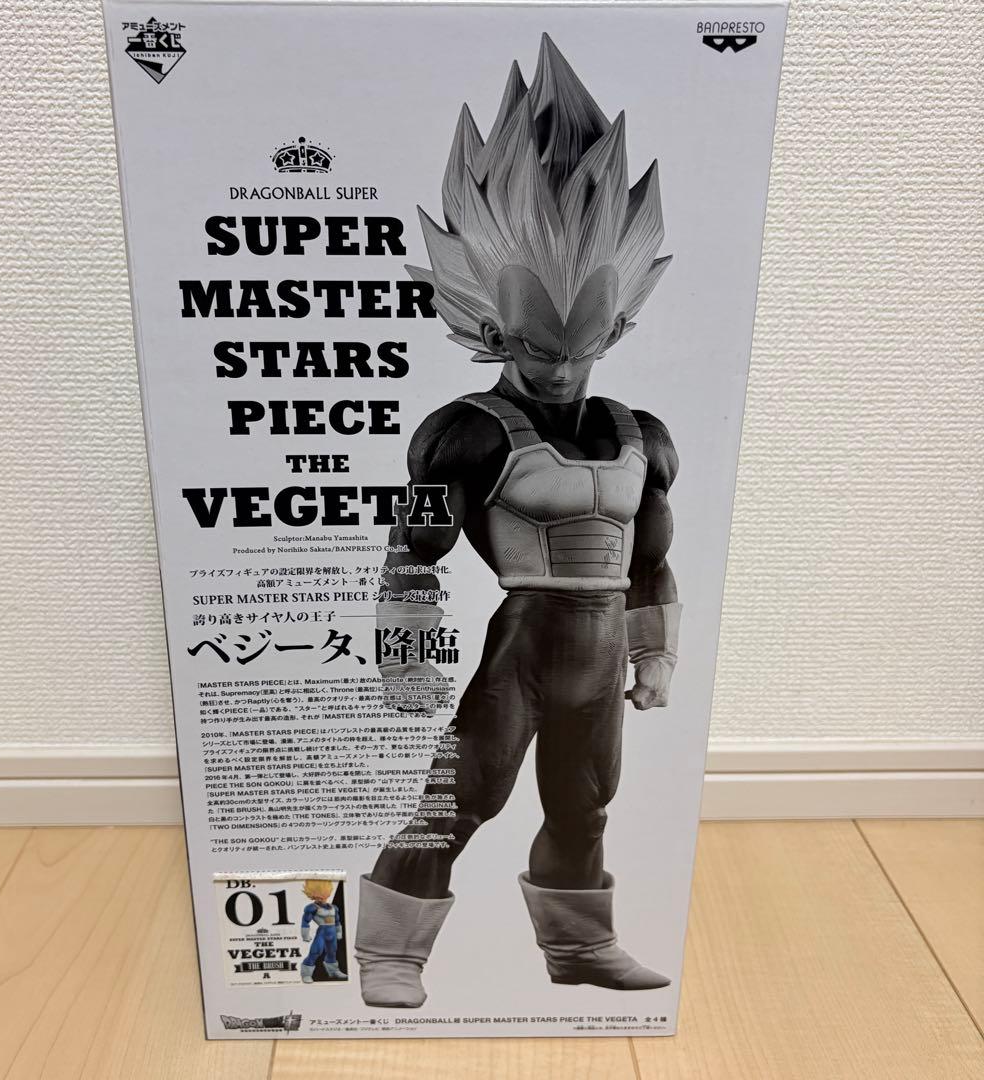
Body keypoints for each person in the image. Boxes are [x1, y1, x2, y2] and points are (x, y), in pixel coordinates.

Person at [354, 34, 681, 1009]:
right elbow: (412, 552)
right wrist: (405, 660)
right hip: (524, 647)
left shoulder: (644, 436)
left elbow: (650, 562)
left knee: (586, 809)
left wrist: (656, 654)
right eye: (536, 348)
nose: (560, 368)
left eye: (580, 348)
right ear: (491, 329)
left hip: (599, 651)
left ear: (617, 326)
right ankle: (387, 953)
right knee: (458, 801)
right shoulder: (462, 431)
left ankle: (580, 948)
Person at [299, 879, 347, 983]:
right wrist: (305, 935)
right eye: (316, 896)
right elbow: (305, 921)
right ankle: (306, 974)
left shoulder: (334, 907)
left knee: (332, 952)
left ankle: (333, 971)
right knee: (316, 952)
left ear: (327, 892)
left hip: (332, 933)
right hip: (322, 932)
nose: (319, 899)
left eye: (321, 896)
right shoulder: (312, 908)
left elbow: (337, 921)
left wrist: (339, 932)